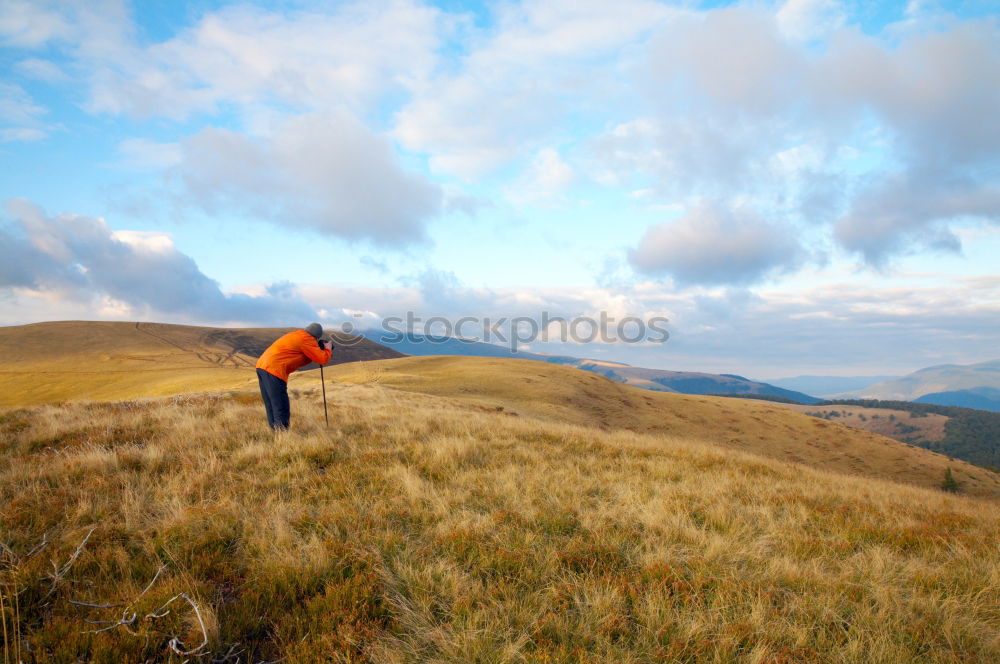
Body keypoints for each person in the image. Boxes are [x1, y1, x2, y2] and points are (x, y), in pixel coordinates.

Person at [255, 323, 333, 431]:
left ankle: (275, 432)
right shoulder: (307, 340)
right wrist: (328, 349)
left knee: (271, 404)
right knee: (280, 405)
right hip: (274, 369)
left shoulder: (297, 335)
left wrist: (317, 348)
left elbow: (303, 355)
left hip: (261, 366)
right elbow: (322, 359)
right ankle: (282, 436)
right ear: (317, 337)